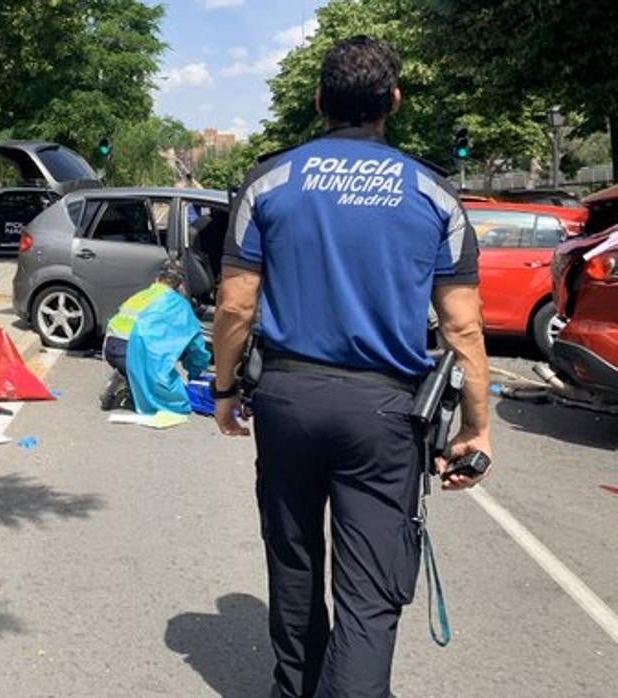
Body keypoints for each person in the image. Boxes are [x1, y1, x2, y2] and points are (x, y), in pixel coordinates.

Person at [210, 36, 492, 697]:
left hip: (287, 397)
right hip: (385, 414)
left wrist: (224, 390)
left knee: (295, 562)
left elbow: (233, 306)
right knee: (370, 592)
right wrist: (475, 430)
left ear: (318, 102)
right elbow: (464, 328)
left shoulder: (270, 181)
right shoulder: (432, 193)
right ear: (392, 101)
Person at [99, 260, 211, 414]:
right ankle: (132, 379)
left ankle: (125, 376)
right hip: (135, 354)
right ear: (180, 285)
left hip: (111, 349)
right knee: (177, 401)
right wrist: (195, 375)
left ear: (158, 278)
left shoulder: (141, 295)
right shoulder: (179, 304)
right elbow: (196, 346)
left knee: (146, 362)